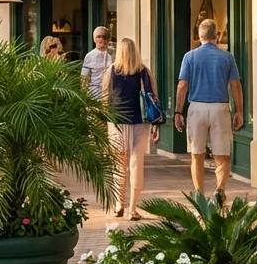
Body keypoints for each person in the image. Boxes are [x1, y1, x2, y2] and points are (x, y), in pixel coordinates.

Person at [174, 18, 243, 206]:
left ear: (199, 35)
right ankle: (220, 191)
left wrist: (178, 111)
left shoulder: (190, 56)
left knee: (196, 154)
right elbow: (235, 85)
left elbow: (182, 85)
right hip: (220, 108)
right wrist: (240, 111)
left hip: (197, 107)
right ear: (216, 35)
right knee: (222, 155)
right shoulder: (227, 57)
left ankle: (199, 195)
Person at [101, 38, 159, 219]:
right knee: (136, 163)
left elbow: (104, 97)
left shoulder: (111, 71)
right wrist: (156, 124)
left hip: (116, 123)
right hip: (139, 123)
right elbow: (152, 98)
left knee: (118, 164)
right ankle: (132, 208)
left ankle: (119, 203)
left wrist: (104, 122)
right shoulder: (143, 72)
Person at [81, 26, 112, 98]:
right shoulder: (90, 56)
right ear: (94, 39)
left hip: (110, 95)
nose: (102, 40)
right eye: (99, 37)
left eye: (105, 37)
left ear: (108, 39)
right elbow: (84, 78)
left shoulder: (112, 55)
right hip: (94, 95)